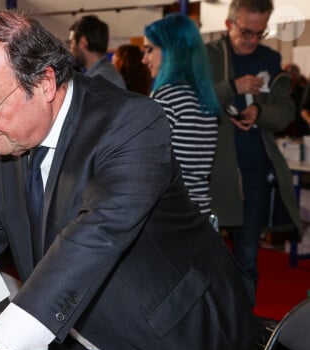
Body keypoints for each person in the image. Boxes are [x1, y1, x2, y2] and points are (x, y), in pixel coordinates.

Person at [0, 9, 261, 350]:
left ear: (44, 83)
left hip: (176, 340)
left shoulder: (131, 124)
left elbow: (96, 237)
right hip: (82, 341)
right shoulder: (2, 137)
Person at [206, 0, 299, 303]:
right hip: (212, 176)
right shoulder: (208, 56)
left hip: (255, 174)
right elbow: (191, 100)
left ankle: (245, 336)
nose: (253, 40)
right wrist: (232, 86)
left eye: (260, 33)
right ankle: (211, 331)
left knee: (247, 261)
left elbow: (286, 113)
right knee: (207, 263)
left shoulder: (271, 59)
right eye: (246, 32)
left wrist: (259, 112)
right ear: (230, 24)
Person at [142, 14, 219, 216]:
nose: (144, 59)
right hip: (199, 211)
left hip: (173, 216)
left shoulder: (167, 98)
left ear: (172, 51)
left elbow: (147, 167)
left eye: (150, 49)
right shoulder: (203, 97)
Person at [69, 15, 125, 89]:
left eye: (71, 42)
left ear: (83, 42)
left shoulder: (99, 81)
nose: (70, 48)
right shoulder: (104, 74)